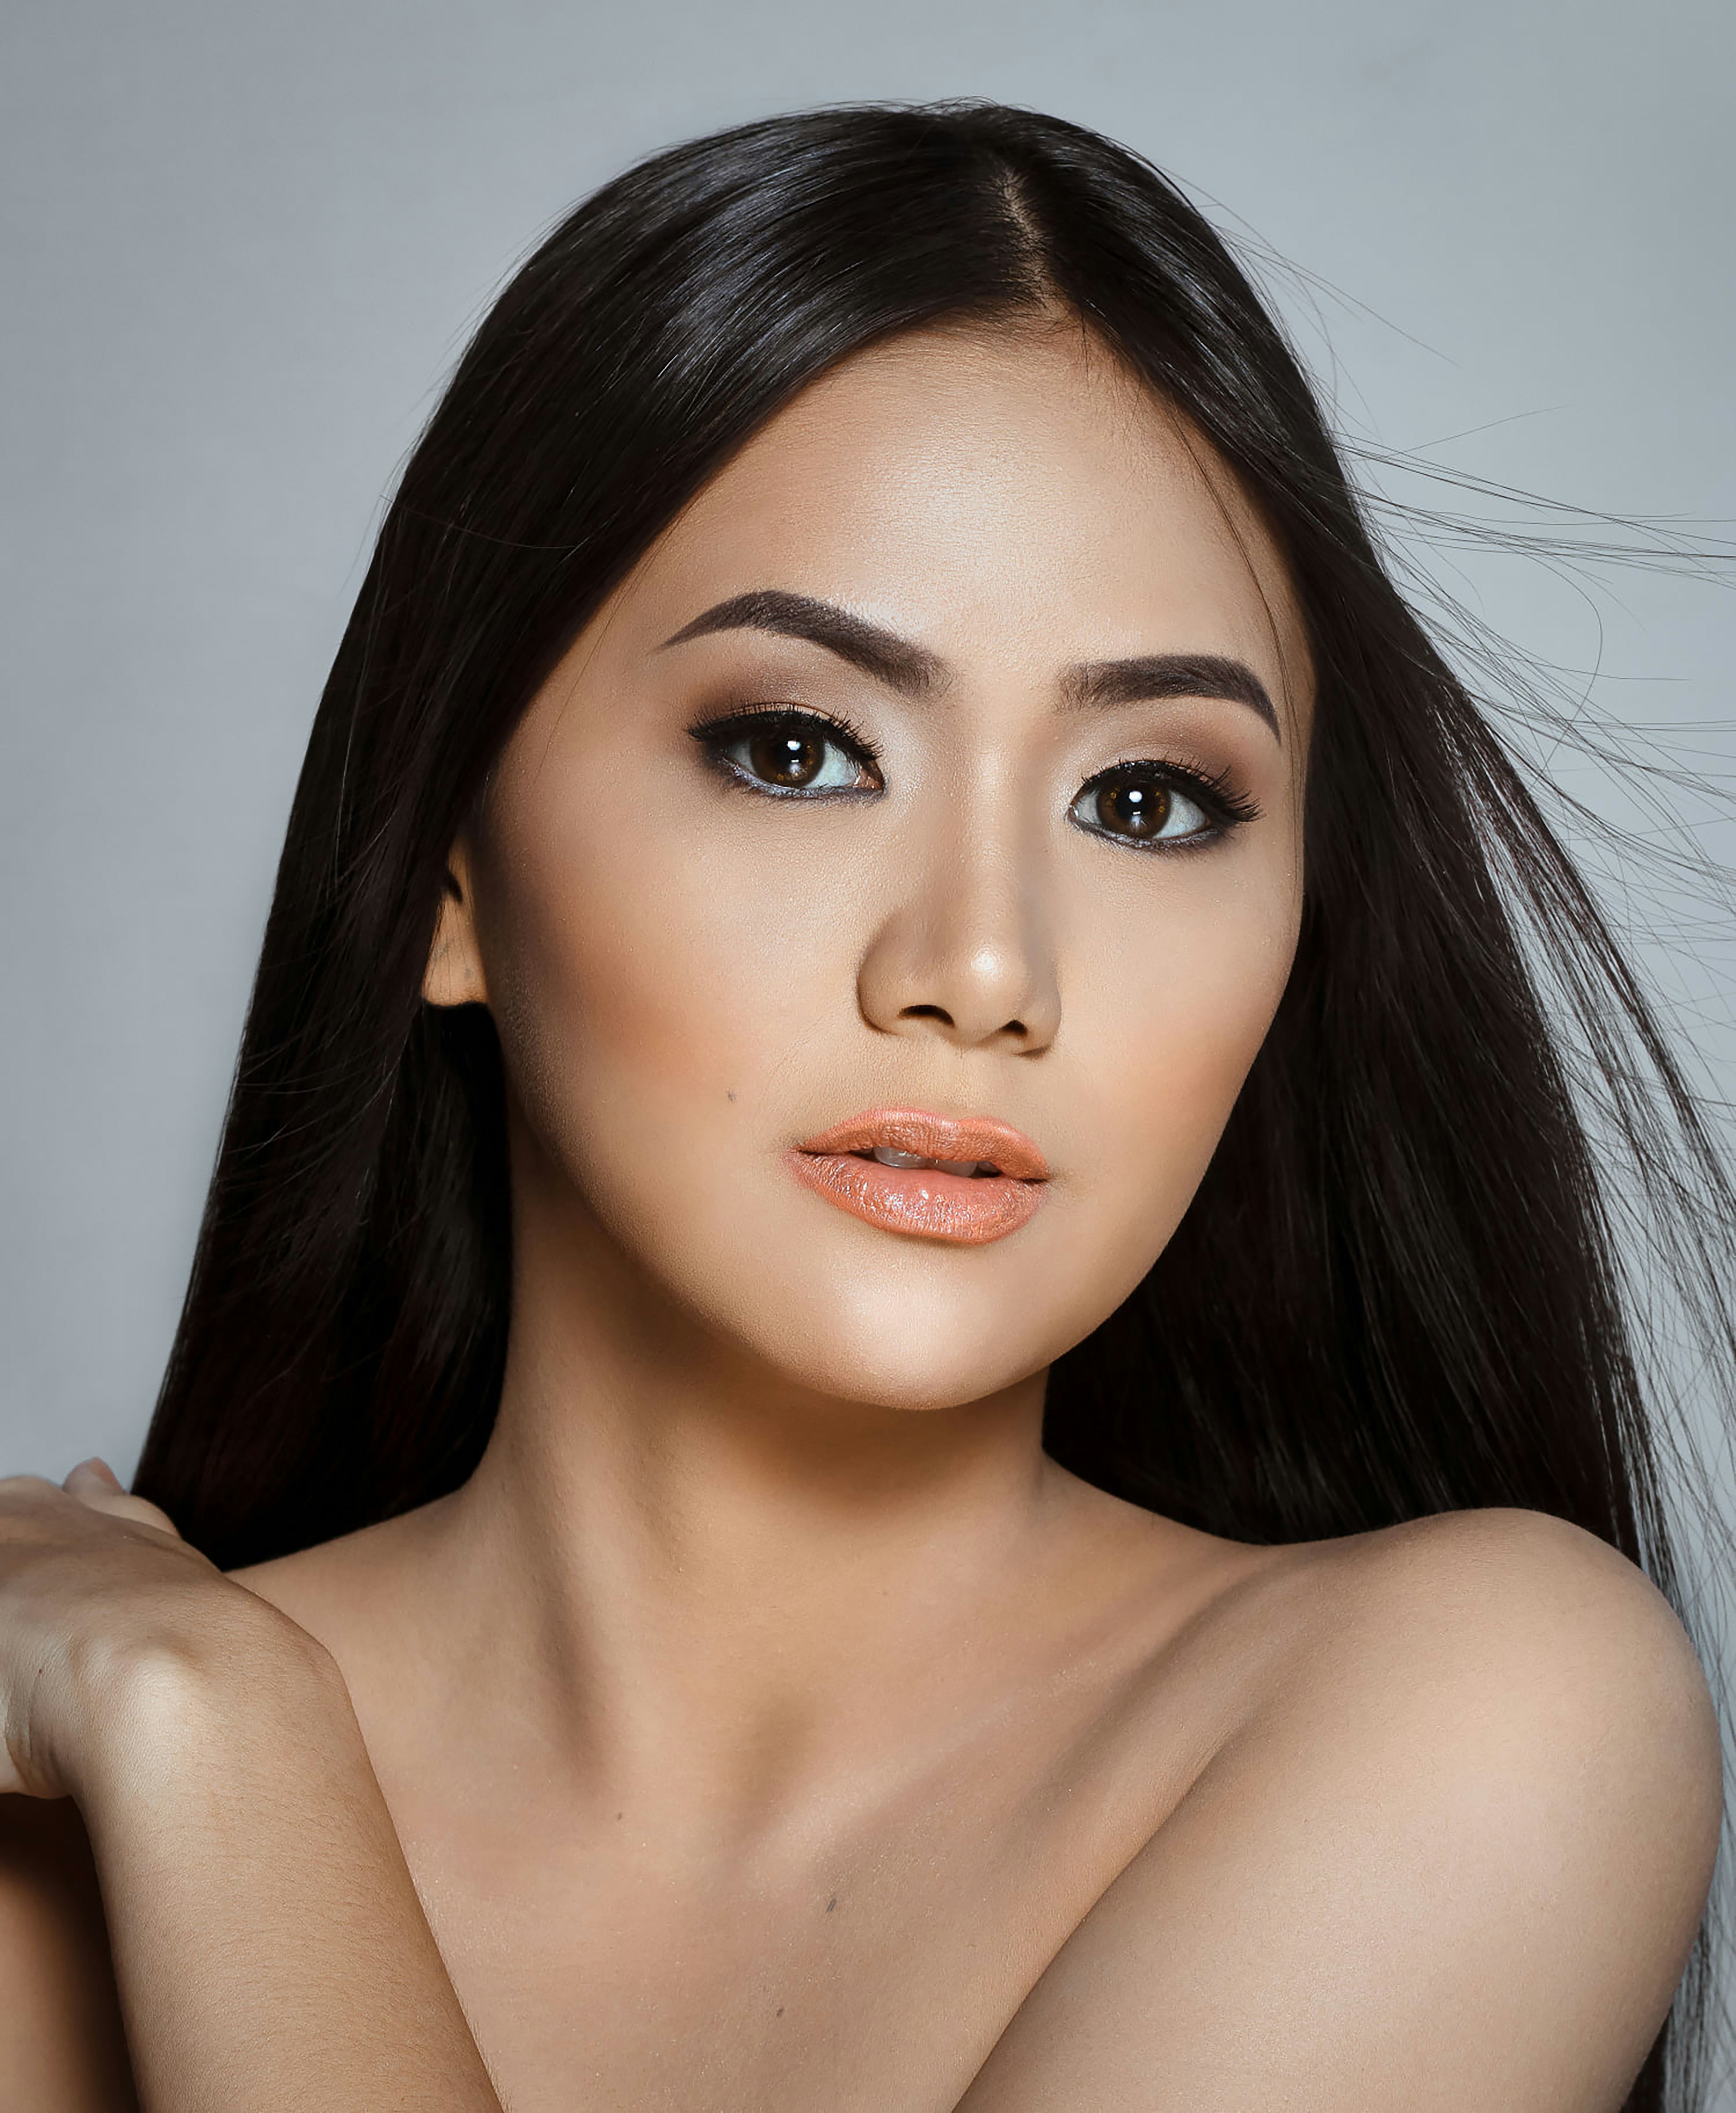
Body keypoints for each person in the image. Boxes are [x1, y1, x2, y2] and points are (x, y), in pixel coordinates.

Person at [0, 101, 1727, 2112]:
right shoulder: (40, 1849)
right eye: (800, 750)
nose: (983, 974)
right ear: (447, 883)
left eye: (1146, 802)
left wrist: (221, 1736)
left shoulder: (1486, 1723)